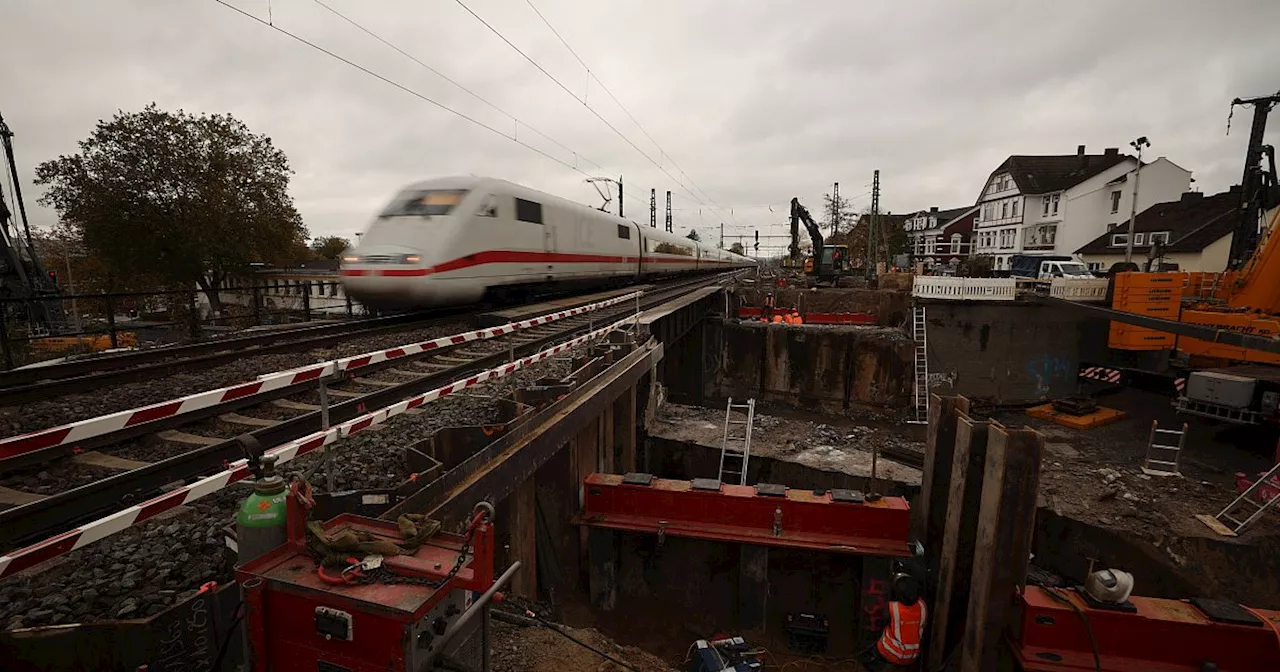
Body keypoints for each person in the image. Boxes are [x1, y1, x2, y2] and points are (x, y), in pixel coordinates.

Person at [861, 574, 927, 670]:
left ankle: (882, 668)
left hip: (892, 652)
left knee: (864, 650)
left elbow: (881, 619)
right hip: (913, 654)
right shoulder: (922, 605)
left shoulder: (892, 607)